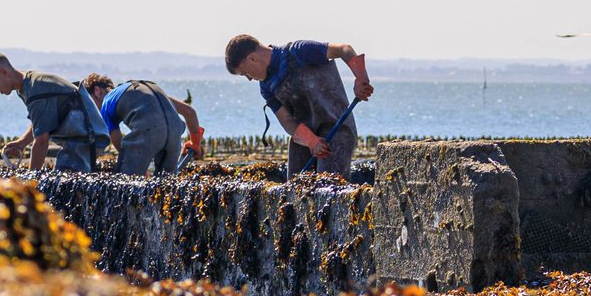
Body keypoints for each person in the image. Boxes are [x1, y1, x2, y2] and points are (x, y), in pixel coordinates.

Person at [224, 34, 373, 177]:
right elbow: (287, 121)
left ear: (252, 58)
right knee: (295, 186)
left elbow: (344, 49)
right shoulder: (266, 87)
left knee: (329, 184)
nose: (249, 79)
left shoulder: (300, 51)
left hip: (337, 129)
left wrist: (361, 78)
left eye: (245, 73)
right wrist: (311, 141)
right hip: (304, 137)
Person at [0, 51, 107, 171]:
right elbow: (40, 121)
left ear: (5, 73)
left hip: (87, 136)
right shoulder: (28, 84)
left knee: (64, 182)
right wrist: (21, 143)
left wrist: (31, 181)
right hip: (80, 136)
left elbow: (42, 141)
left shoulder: (36, 91)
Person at [80, 75, 206, 176]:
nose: (93, 109)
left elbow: (117, 140)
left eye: (90, 103)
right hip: (175, 132)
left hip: (148, 131)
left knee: (125, 183)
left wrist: (137, 167)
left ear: (97, 91)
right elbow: (190, 112)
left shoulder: (107, 101)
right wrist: (195, 144)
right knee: (165, 187)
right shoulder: (145, 89)